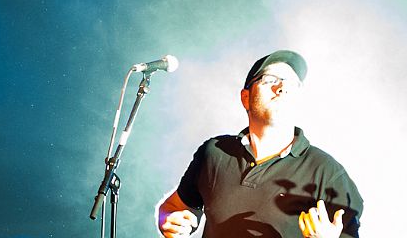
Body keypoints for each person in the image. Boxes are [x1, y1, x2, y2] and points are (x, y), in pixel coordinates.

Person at [156, 50, 364, 238]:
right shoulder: (215, 152)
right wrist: (169, 220)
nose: (282, 88)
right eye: (270, 79)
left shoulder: (326, 172)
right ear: (245, 98)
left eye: (292, 83)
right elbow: (173, 207)